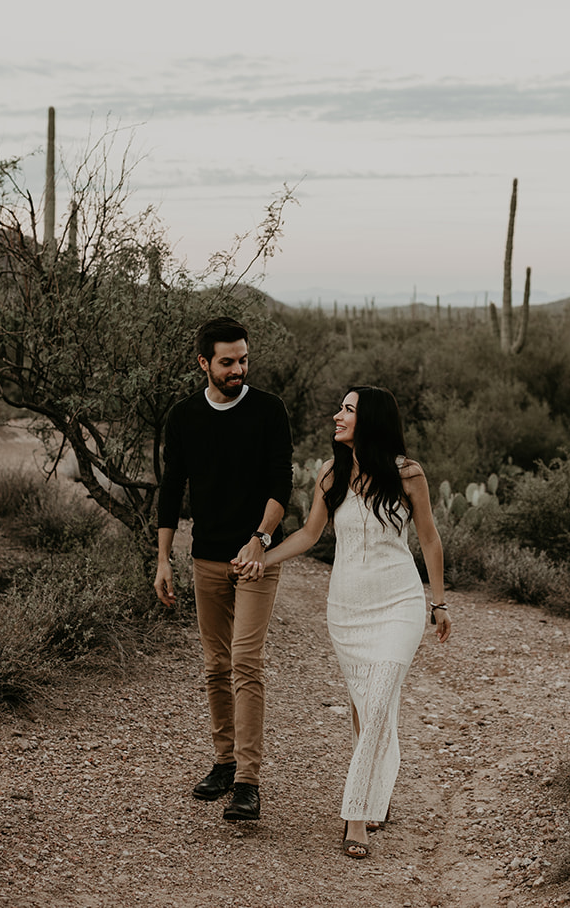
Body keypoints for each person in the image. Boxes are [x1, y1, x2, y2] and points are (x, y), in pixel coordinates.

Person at [237, 385, 451, 859]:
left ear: (369, 419)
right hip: (347, 610)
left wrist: (438, 602)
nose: (337, 415)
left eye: (347, 410)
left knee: (376, 704)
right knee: (366, 708)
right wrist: (263, 558)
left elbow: (430, 540)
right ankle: (377, 791)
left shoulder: (408, 474)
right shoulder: (331, 473)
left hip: (399, 602)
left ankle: (355, 814)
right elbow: (311, 534)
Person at [154, 316, 293, 822]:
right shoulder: (184, 416)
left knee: (245, 661)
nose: (239, 369)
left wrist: (260, 540)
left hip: (257, 558)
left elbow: (282, 483)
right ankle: (224, 761)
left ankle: (248, 784)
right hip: (206, 558)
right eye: (228, 362)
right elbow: (172, 489)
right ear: (204, 364)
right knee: (216, 665)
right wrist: (163, 558)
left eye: (244, 360)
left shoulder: (269, 411)